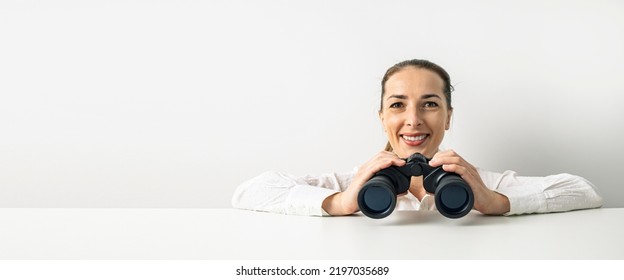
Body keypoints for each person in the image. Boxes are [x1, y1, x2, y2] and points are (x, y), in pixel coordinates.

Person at [231, 59, 604, 217]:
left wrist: (495, 201)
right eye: (397, 105)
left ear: (448, 117)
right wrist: (340, 202)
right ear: (382, 118)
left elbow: (584, 189)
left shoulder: (480, 184)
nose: (413, 120)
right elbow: (249, 190)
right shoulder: (350, 185)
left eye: (429, 104)